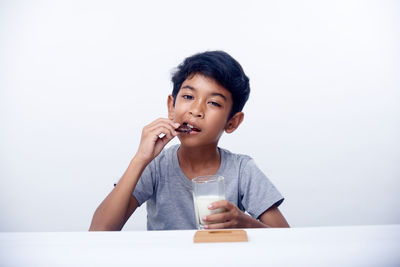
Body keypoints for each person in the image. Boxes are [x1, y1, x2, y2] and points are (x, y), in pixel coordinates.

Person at [89, 51, 289, 231]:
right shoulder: (155, 166)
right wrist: (140, 159)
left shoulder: (242, 170)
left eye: (213, 102)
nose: (196, 110)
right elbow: (99, 231)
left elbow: (286, 239)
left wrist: (244, 224)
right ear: (171, 106)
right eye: (188, 96)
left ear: (232, 122)